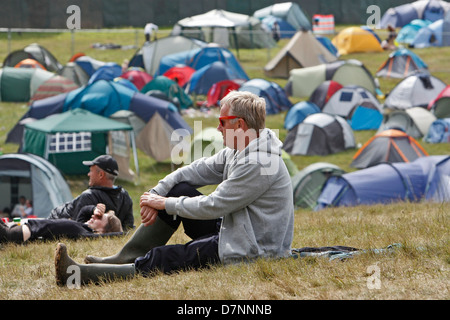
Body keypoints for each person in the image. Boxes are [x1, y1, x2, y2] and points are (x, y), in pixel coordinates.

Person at [54, 91, 294, 286]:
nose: (219, 128)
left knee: (164, 258)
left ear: (239, 124)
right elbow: (194, 170)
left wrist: (165, 203)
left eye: (222, 122)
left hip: (251, 249)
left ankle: (78, 275)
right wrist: (158, 193)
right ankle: (122, 258)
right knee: (179, 188)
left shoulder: (259, 163)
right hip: (236, 231)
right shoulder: (240, 148)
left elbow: (215, 204)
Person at [48, 155, 134, 230]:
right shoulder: (125, 196)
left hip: (53, 221)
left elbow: (75, 227)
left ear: (101, 175)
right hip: (56, 215)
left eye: (91, 171)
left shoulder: (89, 196)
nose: (88, 174)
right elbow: (128, 227)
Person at [1, 204, 123, 244]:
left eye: (99, 218)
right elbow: (84, 210)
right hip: (15, 228)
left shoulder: (84, 233)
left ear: (103, 231)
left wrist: (124, 234)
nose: (93, 216)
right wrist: (95, 209)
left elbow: (113, 235)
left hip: (16, 234)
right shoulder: (81, 225)